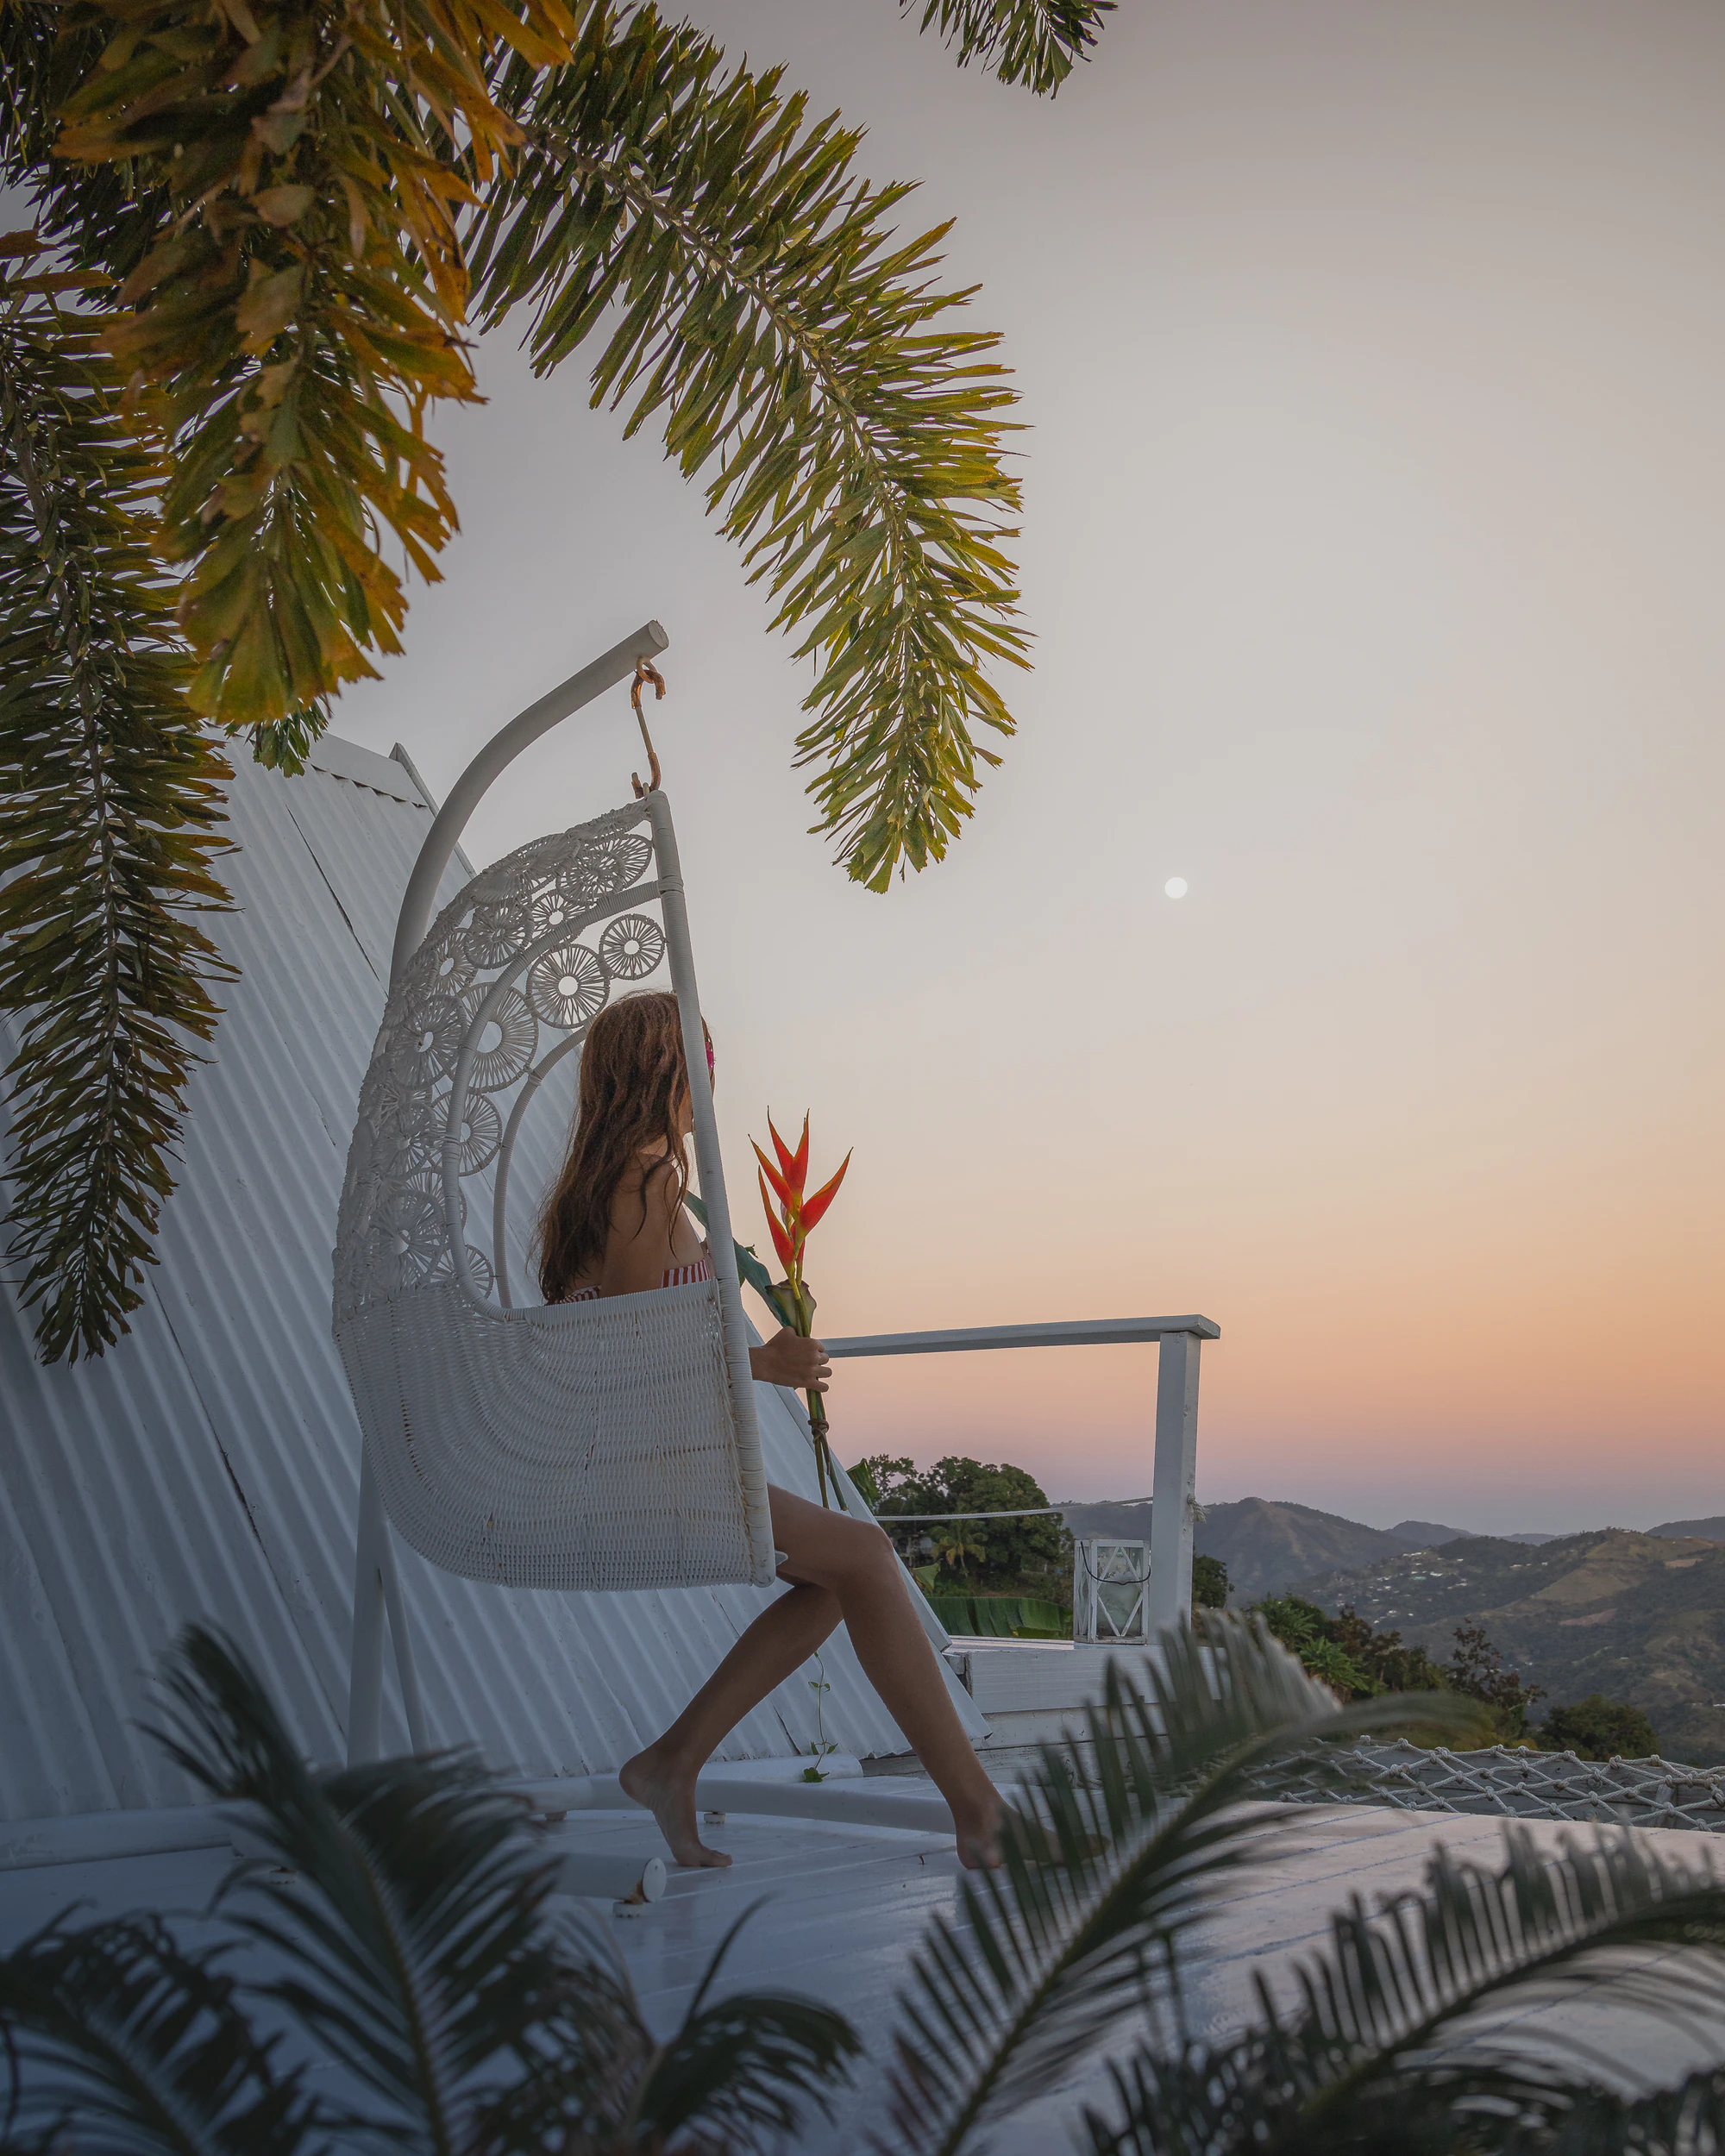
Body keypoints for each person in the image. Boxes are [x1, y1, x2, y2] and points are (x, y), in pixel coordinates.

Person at [536, 990, 1007, 1870]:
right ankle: (978, 1813)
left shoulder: (605, 1188)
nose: (709, 1084)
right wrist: (765, 1364)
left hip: (640, 1457)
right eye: (702, 1065)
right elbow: (637, 1355)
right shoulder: (644, 1189)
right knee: (864, 1557)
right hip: (646, 1467)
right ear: (669, 1076)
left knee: (834, 1579)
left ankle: (672, 1762)